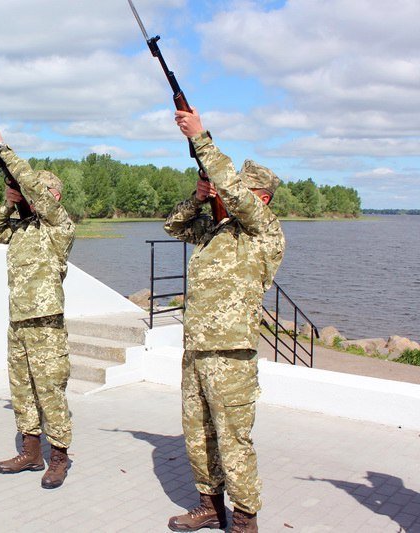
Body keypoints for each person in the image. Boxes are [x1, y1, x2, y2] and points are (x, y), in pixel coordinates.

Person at [164, 109, 285, 533]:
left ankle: (245, 519)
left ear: (261, 198)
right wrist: (198, 197)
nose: (225, 194)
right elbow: (173, 224)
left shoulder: (263, 230)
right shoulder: (213, 229)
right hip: (196, 348)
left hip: (232, 355)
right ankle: (210, 506)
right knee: (197, 435)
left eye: (239, 192)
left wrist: (201, 138)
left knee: (233, 439)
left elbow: (234, 190)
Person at [0, 129, 76, 489]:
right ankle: (31, 451)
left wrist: (3, 148)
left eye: (38, 190)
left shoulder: (59, 226)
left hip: (45, 323)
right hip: (18, 321)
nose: (33, 195)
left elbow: (41, 199)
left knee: (50, 390)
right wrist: (8, 203)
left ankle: (60, 458)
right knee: (21, 389)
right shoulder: (20, 228)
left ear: (52, 195)